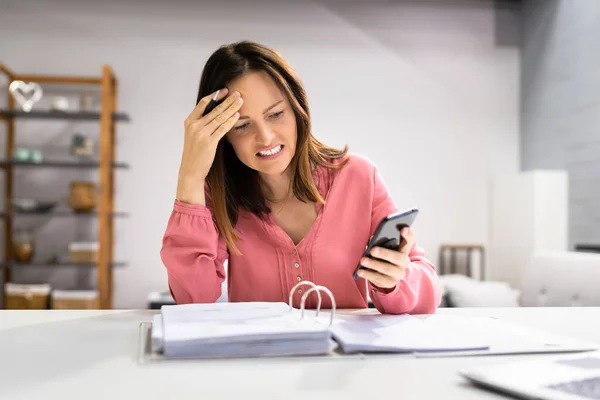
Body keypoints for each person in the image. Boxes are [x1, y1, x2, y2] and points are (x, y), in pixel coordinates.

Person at [160, 40, 441, 315]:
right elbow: (193, 300)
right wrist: (190, 175)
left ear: (298, 110)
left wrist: (394, 280)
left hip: (342, 359)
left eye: (276, 114)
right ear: (222, 135)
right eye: (242, 126)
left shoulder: (358, 176)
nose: (266, 137)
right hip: (258, 359)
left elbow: (428, 292)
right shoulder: (218, 196)